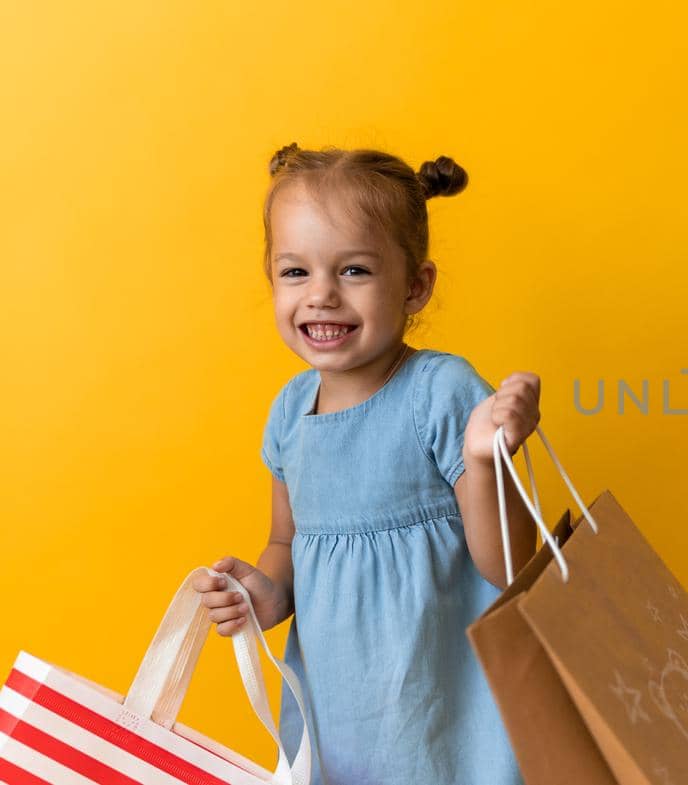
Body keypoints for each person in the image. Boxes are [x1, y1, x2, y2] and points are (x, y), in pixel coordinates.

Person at [192, 143, 544, 784]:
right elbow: (287, 544)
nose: (322, 295)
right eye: (296, 273)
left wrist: (485, 461)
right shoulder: (290, 414)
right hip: (339, 728)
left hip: (445, 722)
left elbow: (513, 568)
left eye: (353, 270)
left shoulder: (442, 393)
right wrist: (261, 594)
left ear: (415, 285)